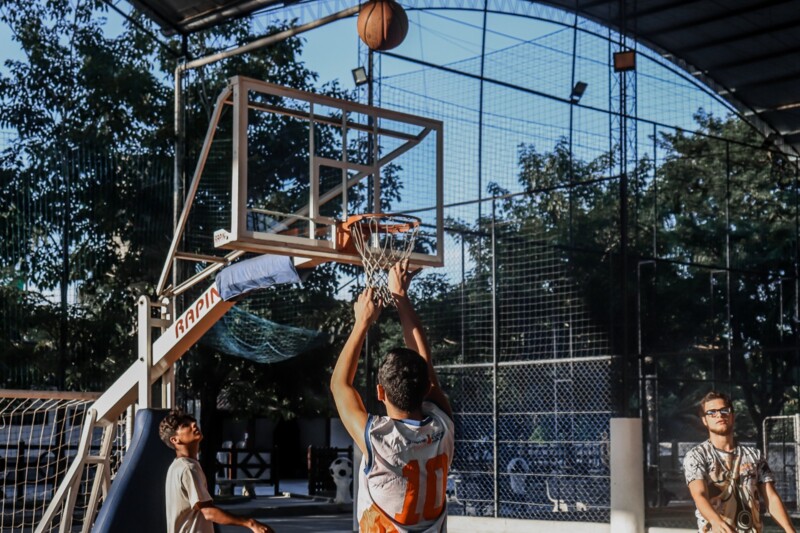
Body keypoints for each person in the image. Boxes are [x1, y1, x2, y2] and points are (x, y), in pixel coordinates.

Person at [330, 260, 455, 532]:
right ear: (425, 388)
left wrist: (363, 320)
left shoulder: (378, 440)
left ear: (380, 392)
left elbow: (340, 386)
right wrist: (399, 297)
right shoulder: (442, 426)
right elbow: (340, 386)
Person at [683, 391, 795, 533]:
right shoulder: (697, 456)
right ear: (704, 420)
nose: (719, 415)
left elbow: (771, 498)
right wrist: (715, 521)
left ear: (732, 416)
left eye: (724, 410)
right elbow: (699, 495)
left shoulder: (755, 456)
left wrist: (790, 529)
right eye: (712, 412)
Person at [158, 410, 274, 533]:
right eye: (185, 425)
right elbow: (208, 512)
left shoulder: (177, 466)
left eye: (192, 422)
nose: (193, 424)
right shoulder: (188, 468)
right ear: (174, 440)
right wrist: (250, 523)